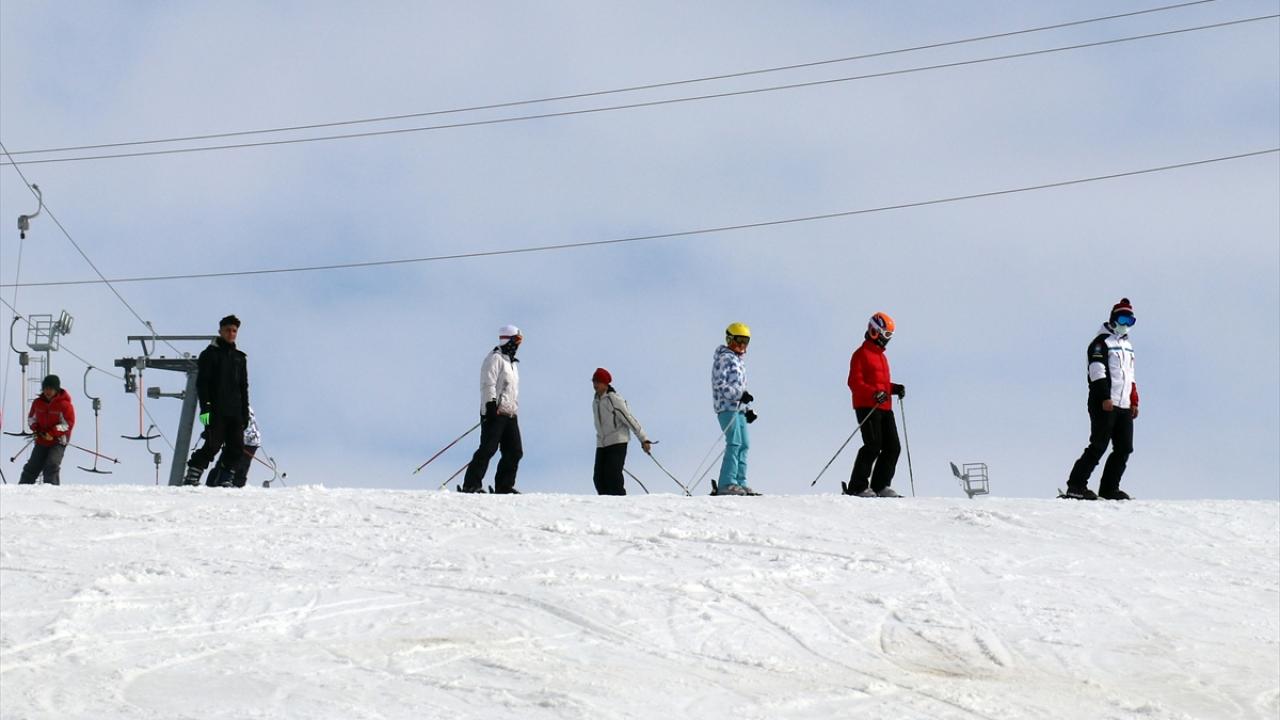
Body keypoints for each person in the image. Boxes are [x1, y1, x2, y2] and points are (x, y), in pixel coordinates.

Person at [1064, 298, 1139, 501]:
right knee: (1099, 445)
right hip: (1104, 403)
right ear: (1113, 319)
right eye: (1123, 319)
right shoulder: (1101, 343)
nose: (1126, 324)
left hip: (1123, 404)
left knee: (1124, 448)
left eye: (1130, 321)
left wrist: (1134, 401)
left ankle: (1109, 488)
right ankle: (1076, 485)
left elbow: (1130, 376)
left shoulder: (1127, 346)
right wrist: (1105, 397)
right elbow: (1097, 371)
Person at [183, 314, 250, 487]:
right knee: (213, 444)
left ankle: (225, 479)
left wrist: (245, 412)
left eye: (234, 331)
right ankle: (192, 476)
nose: (231, 333)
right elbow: (203, 384)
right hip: (216, 410)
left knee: (237, 447)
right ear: (220, 331)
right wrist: (205, 408)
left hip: (235, 411)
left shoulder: (239, 358)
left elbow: (243, 387)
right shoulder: (209, 354)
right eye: (227, 330)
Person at [846, 312, 906, 498]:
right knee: (873, 445)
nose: (887, 339)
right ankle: (857, 487)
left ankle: (880, 486)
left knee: (893, 447)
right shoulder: (860, 354)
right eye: (886, 334)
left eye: (890, 336)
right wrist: (874, 393)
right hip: (867, 406)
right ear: (875, 331)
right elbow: (854, 382)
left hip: (885, 407)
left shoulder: (882, 357)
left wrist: (894, 388)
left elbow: (881, 384)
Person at [460, 325, 523, 494]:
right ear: (507, 339)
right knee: (488, 448)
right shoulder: (495, 358)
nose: (518, 344)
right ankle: (471, 484)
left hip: (510, 413)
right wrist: (490, 405)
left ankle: (504, 486)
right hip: (495, 411)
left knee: (514, 451)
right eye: (516, 340)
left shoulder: (512, 363)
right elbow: (488, 383)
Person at [711, 322, 757, 496]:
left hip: (739, 409)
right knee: (734, 442)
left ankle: (740, 482)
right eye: (738, 340)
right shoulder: (724, 359)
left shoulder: (739, 361)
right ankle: (727, 483)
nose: (742, 345)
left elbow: (741, 388)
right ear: (729, 339)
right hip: (726, 407)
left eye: (746, 341)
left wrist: (748, 409)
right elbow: (719, 384)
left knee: (744, 444)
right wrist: (739, 395)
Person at [591, 367, 652, 495]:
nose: (595, 385)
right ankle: (605, 503)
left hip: (617, 441)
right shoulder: (595, 401)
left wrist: (644, 439)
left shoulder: (614, 399)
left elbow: (629, 419)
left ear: (605, 383)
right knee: (598, 479)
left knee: (612, 476)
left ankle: (621, 502)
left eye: (598, 382)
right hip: (602, 444)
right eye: (594, 381)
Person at [19, 375, 75, 485]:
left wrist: (52, 433)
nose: (48, 391)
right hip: (41, 440)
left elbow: (68, 424)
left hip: (58, 441)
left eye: (51, 389)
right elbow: (31, 419)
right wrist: (36, 429)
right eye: (45, 389)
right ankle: (22, 488)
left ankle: (51, 489)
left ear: (56, 389)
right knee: (32, 466)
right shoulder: (37, 403)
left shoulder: (65, 405)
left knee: (52, 464)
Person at [206, 406, 261, 488]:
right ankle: (219, 483)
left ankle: (228, 484)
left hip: (246, 441)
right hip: (244, 441)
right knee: (229, 465)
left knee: (235, 466)